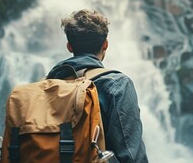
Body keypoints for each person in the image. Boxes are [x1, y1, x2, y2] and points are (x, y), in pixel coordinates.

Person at [46, 9, 149, 163]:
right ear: (105, 44)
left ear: (69, 47)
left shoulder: (44, 87)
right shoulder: (117, 84)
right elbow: (131, 154)